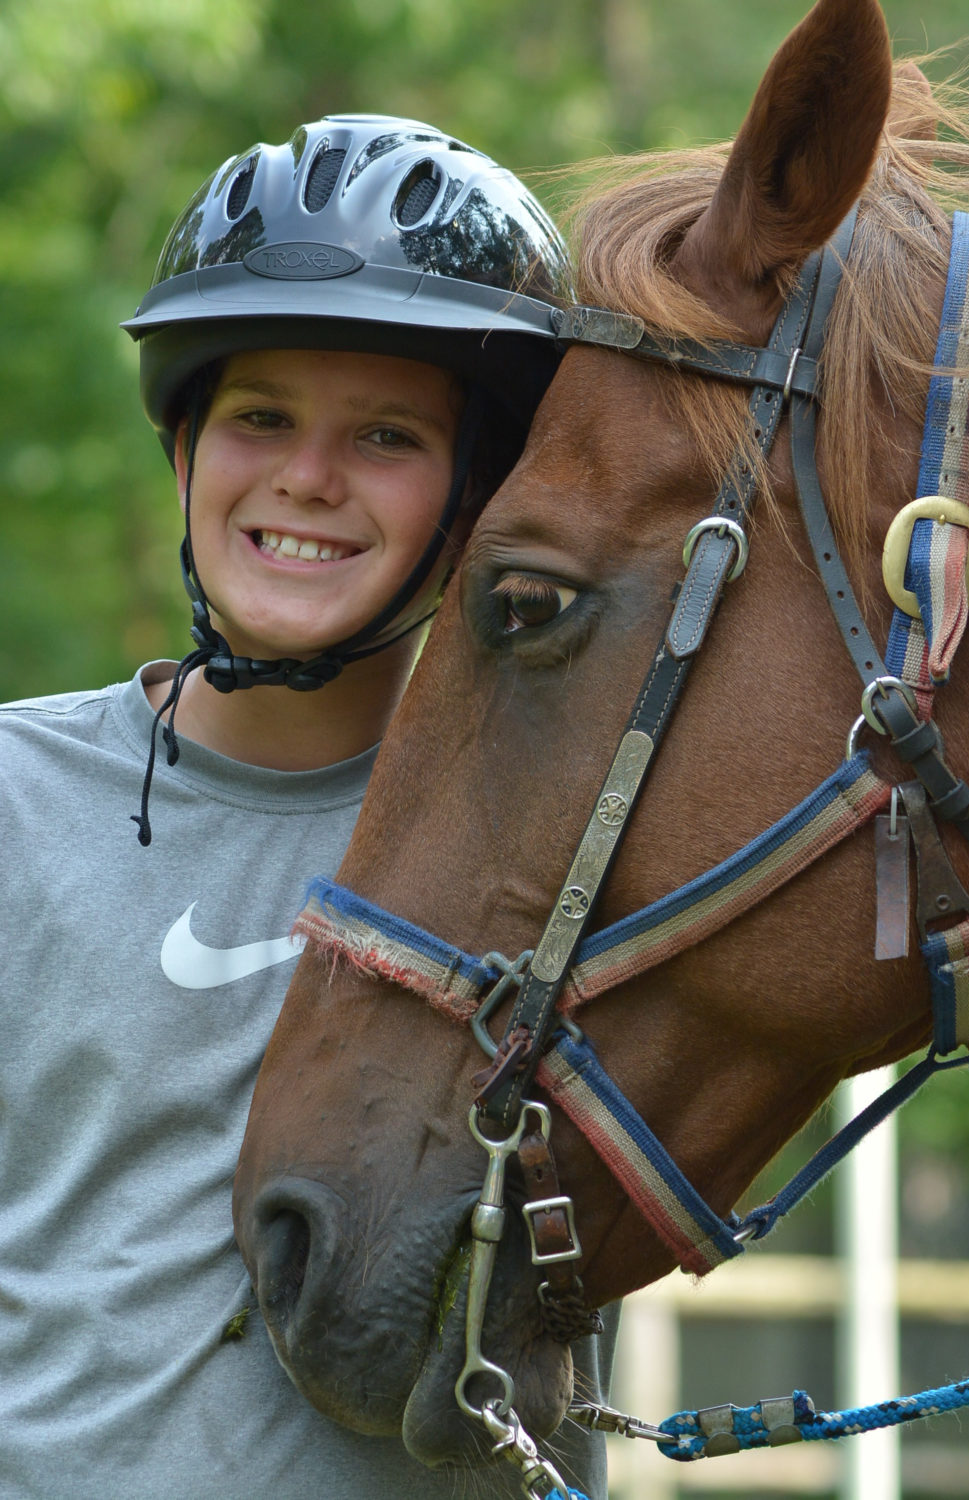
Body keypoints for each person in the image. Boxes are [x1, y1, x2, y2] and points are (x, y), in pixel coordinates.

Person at [0, 115, 615, 1498]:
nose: (308, 478)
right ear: (184, 450)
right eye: (261, 416)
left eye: (387, 434)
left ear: (479, 500)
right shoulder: (16, 803)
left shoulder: (578, 836)